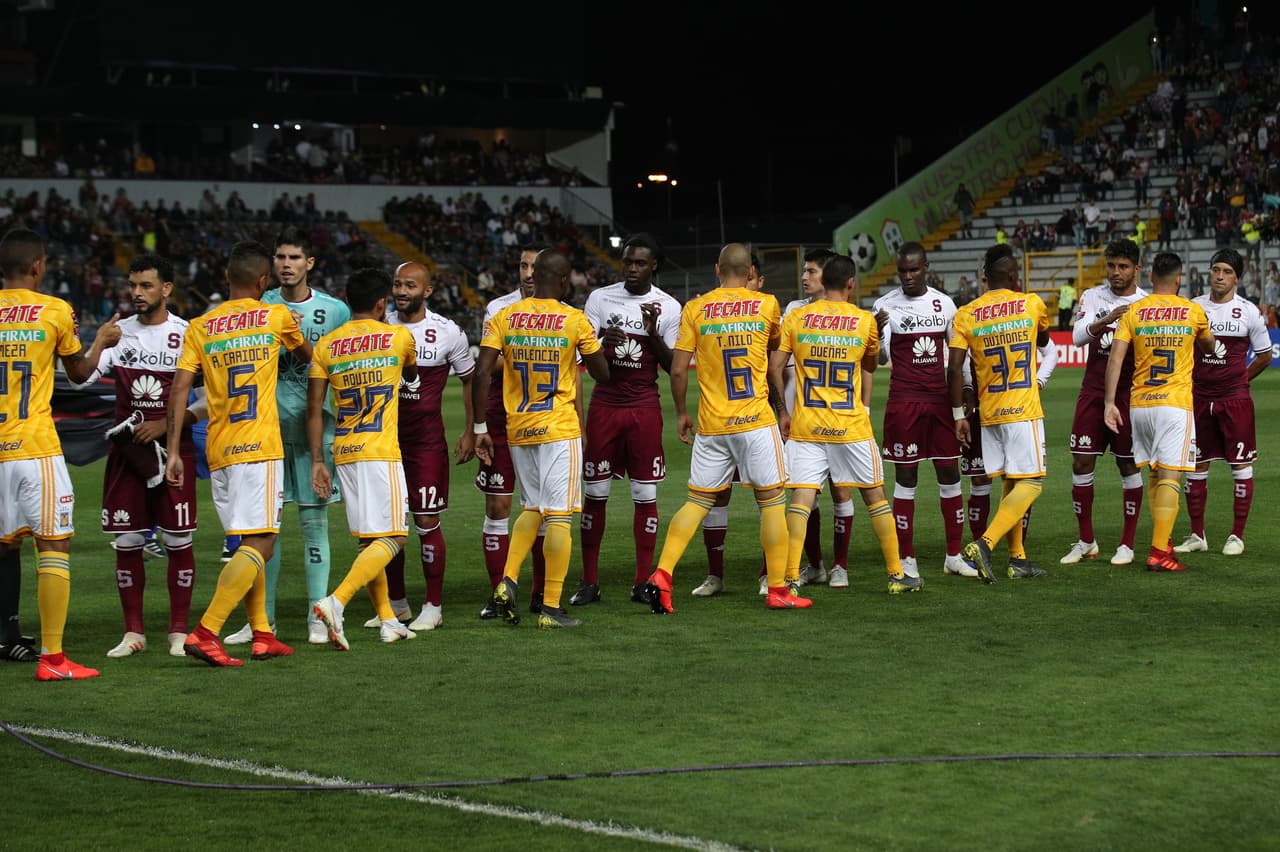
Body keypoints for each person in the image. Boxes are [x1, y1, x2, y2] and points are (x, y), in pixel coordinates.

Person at [165, 240, 310, 667]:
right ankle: (207, 631)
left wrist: (174, 450)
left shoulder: (200, 326)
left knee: (247, 541)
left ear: (227, 278)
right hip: (260, 445)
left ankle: (262, 632)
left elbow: (179, 389)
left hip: (219, 448)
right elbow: (308, 357)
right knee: (262, 542)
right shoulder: (275, 315)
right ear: (264, 281)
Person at [642, 243, 805, 613]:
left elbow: (680, 369)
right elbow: (774, 346)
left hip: (713, 425)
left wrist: (682, 412)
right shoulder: (766, 304)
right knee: (772, 503)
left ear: (717, 269)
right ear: (750, 273)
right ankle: (778, 588)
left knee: (698, 502)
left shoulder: (695, 309)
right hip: (755, 422)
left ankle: (662, 575)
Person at [0, 227, 120, 680]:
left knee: (3, 546)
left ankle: (9, 636)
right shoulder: (53, 310)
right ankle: (53, 660)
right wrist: (101, 341)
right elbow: (82, 372)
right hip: (34, 447)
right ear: (37, 266)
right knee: (54, 543)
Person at [223, 228, 349, 647]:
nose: (286, 264)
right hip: (265, 434)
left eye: (295, 257)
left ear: (309, 263)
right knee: (264, 531)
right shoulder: (257, 308)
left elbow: (344, 367)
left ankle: (318, 614)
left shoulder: (335, 311)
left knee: (314, 527)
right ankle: (263, 620)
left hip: (316, 433)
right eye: (280, 257)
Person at [75, 254, 206, 659]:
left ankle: (178, 632)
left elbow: (214, 399)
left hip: (174, 450)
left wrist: (172, 422)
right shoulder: (119, 333)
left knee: (177, 539)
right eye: (133, 285)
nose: (136, 293)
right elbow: (80, 379)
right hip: (127, 453)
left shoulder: (188, 334)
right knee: (128, 540)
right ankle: (133, 633)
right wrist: (99, 341)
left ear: (166, 289)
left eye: (146, 285)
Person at [472, 249, 610, 628]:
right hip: (559, 428)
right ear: (565, 281)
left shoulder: (505, 316)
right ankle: (550, 607)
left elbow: (482, 373)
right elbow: (602, 374)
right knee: (560, 516)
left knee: (532, 508)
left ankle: (507, 582)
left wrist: (481, 428)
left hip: (519, 428)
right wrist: (600, 345)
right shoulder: (574, 319)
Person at [769, 256, 920, 593]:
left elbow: (774, 367)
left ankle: (790, 579)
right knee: (875, 497)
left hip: (807, 426)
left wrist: (783, 410)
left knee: (801, 501)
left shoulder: (797, 317)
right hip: (849, 425)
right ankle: (897, 574)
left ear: (825, 282)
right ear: (851, 283)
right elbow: (871, 363)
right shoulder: (864, 321)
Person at [308, 268, 420, 648]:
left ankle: (388, 619)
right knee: (394, 538)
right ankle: (336, 602)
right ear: (381, 304)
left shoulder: (326, 345)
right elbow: (411, 372)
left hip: (344, 451)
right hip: (380, 451)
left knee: (369, 541)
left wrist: (317, 461)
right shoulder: (398, 336)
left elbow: (313, 408)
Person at [572, 234, 680, 605]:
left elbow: (672, 367)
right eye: (627, 262)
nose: (631, 269)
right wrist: (603, 341)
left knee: (644, 493)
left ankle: (641, 581)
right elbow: (584, 359)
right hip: (605, 404)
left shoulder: (668, 307)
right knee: (595, 493)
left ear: (654, 267)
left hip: (644, 406)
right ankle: (589, 582)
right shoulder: (600, 298)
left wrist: (651, 335)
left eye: (639, 263)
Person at [376, 261, 475, 631]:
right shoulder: (379, 327)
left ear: (427, 291)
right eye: (398, 284)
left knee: (426, 521)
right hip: (383, 442)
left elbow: (469, 380)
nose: (402, 291)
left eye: (410, 286)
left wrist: (471, 430)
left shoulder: (447, 332)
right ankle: (397, 603)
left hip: (426, 443)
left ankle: (433, 606)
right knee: (387, 526)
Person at [1104, 252, 1215, 571]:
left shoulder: (1135, 311)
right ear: (1179, 279)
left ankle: (1163, 540)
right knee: (1171, 475)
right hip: (1174, 405)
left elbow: (1116, 359)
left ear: (1150, 277)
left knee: (1154, 472)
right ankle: (1158, 552)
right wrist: (1207, 341)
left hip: (1140, 405)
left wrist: (1110, 403)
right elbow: (1209, 346)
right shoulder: (1193, 311)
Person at [948, 245, 1051, 582]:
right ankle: (985, 544)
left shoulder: (967, 313)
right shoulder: (1032, 304)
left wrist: (958, 416)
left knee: (1011, 480)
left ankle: (1018, 559)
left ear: (985, 278)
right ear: (1012, 275)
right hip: (1023, 408)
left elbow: (954, 368)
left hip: (989, 413)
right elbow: (1045, 341)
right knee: (1032, 483)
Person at [874, 243, 976, 582]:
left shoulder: (944, 303)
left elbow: (958, 358)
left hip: (939, 401)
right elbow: (880, 358)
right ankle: (907, 558)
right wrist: (875, 334)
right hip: (904, 401)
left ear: (926, 267)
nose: (907, 276)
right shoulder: (884, 306)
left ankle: (953, 555)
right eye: (902, 270)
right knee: (906, 479)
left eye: (913, 270)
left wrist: (963, 399)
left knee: (950, 475)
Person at [1175, 249, 1272, 556]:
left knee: (1240, 465)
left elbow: (1265, 355)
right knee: (1196, 466)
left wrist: (1241, 379)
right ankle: (1197, 535)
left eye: (1226, 271)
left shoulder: (1249, 311)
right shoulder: (1194, 307)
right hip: (1199, 397)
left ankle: (1236, 536)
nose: (1219, 275)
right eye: (1215, 269)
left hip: (1234, 399)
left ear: (1237, 278)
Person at [1060, 240, 1149, 567]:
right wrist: (1108, 318)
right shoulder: (1092, 296)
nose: (1115, 272)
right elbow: (1078, 336)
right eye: (1111, 265)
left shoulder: (1147, 303)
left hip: (1129, 395)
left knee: (1128, 465)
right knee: (1081, 463)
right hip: (1093, 392)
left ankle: (1127, 544)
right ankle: (1086, 541)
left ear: (1137, 269)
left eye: (1123, 266)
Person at [474, 244, 549, 617]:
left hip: (546, 420)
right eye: (523, 266)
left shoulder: (561, 312)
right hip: (502, 416)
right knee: (499, 505)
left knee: (542, 509)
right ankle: (498, 593)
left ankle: (538, 592)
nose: (529, 273)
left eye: (536, 266)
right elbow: (490, 365)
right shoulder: (498, 309)